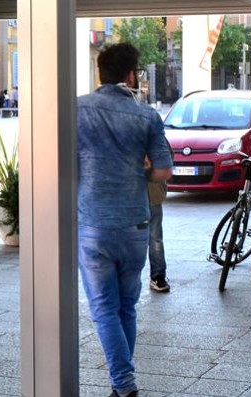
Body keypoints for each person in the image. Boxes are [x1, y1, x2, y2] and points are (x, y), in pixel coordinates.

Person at [77, 43, 173, 397]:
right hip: (135, 224)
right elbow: (163, 170)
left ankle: (125, 385)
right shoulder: (147, 115)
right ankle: (121, 386)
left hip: (93, 223)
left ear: (99, 72)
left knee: (104, 309)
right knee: (126, 307)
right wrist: (140, 172)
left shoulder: (75, 109)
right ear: (131, 76)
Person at [147, 140, 173, 293]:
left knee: (153, 236)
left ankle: (158, 276)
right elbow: (168, 158)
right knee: (155, 236)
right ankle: (158, 276)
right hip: (151, 191)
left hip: (146, 192)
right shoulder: (152, 128)